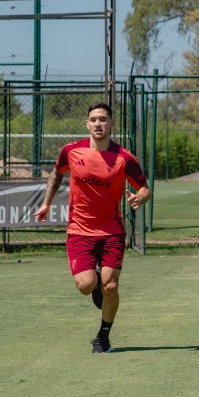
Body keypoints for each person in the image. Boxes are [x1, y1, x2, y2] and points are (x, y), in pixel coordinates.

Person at [35, 101, 150, 353]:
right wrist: (46, 204)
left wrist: (139, 197)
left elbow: (144, 188)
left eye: (103, 119)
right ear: (87, 124)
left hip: (112, 231)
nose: (99, 124)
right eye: (94, 120)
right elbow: (57, 173)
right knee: (85, 286)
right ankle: (95, 280)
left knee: (111, 285)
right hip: (79, 230)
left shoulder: (125, 158)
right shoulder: (71, 151)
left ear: (111, 124)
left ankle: (103, 336)